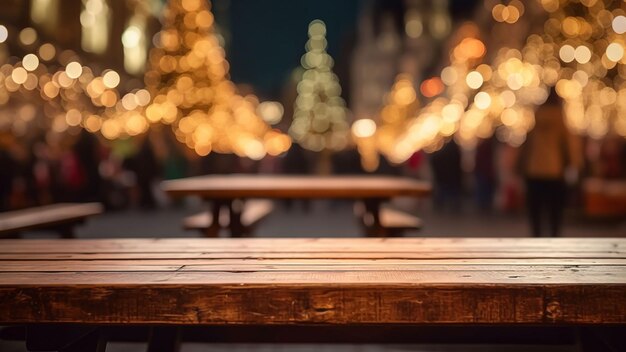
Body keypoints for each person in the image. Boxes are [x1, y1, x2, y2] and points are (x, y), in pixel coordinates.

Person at [518, 90, 582, 237]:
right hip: (555, 172)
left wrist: (520, 167)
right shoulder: (561, 121)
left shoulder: (537, 119)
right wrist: (574, 166)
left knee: (536, 212)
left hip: (533, 172)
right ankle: (554, 241)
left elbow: (527, 146)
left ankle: (536, 239)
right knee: (555, 213)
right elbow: (569, 147)